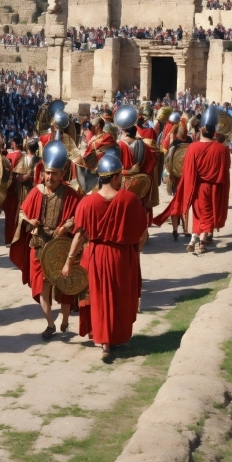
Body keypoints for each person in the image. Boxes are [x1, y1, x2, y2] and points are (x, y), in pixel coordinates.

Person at [62, 152, 148, 360]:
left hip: (97, 255)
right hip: (122, 255)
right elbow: (142, 233)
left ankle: (104, 343)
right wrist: (135, 253)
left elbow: (80, 235)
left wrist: (68, 261)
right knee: (119, 298)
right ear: (116, 177)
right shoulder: (129, 200)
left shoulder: (87, 203)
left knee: (100, 299)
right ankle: (115, 337)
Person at [9, 141, 81, 339]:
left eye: (54, 173)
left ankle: (64, 319)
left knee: (65, 285)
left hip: (61, 246)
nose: (50, 177)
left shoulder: (71, 194)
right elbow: (23, 212)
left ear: (61, 174)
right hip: (39, 244)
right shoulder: (36, 191)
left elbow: (78, 217)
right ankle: (50, 324)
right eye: (47, 173)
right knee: (42, 285)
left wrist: (65, 227)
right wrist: (29, 220)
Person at [154, 105, 231, 254]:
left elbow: (187, 171)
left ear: (201, 130)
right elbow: (225, 170)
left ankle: (195, 238)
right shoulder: (222, 149)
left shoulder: (193, 147)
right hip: (214, 187)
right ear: (214, 131)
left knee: (198, 213)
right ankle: (201, 241)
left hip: (196, 187)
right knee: (207, 213)